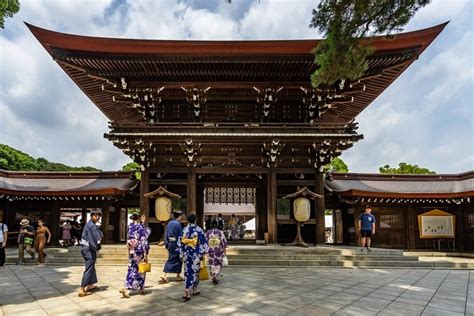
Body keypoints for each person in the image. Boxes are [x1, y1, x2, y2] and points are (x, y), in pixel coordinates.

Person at [178, 213, 208, 302]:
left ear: (188, 220)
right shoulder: (199, 230)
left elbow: (180, 243)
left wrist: (181, 254)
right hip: (196, 254)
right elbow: (203, 243)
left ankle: (191, 289)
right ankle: (189, 289)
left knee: (187, 271)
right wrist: (203, 254)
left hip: (187, 254)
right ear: (196, 220)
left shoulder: (184, 229)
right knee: (195, 271)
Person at [119, 213, 150, 298]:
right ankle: (140, 287)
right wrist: (145, 253)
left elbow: (129, 239)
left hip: (131, 250)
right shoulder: (140, 227)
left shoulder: (130, 227)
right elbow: (144, 240)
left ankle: (126, 286)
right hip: (139, 251)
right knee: (141, 269)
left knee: (131, 268)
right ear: (139, 218)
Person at [78, 209, 103, 297]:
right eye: (96, 215)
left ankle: (90, 284)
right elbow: (93, 240)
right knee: (89, 267)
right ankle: (82, 288)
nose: (98, 217)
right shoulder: (91, 226)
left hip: (86, 248)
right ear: (91, 216)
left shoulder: (91, 225)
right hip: (88, 248)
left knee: (91, 266)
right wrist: (96, 247)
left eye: (99, 215)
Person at [159, 210, 184, 284]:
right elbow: (180, 235)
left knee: (171, 258)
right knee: (178, 259)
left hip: (170, 243)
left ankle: (167, 274)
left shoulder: (169, 223)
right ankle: (176, 275)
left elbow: (166, 233)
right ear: (179, 216)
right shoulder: (178, 224)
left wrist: (166, 243)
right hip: (176, 243)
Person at [205, 219, 228, 285]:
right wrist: (224, 252)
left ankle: (213, 275)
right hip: (218, 250)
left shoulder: (208, 232)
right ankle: (216, 276)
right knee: (218, 264)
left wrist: (206, 251)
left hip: (211, 250)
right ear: (217, 224)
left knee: (212, 263)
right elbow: (224, 243)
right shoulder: (220, 232)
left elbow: (205, 242)